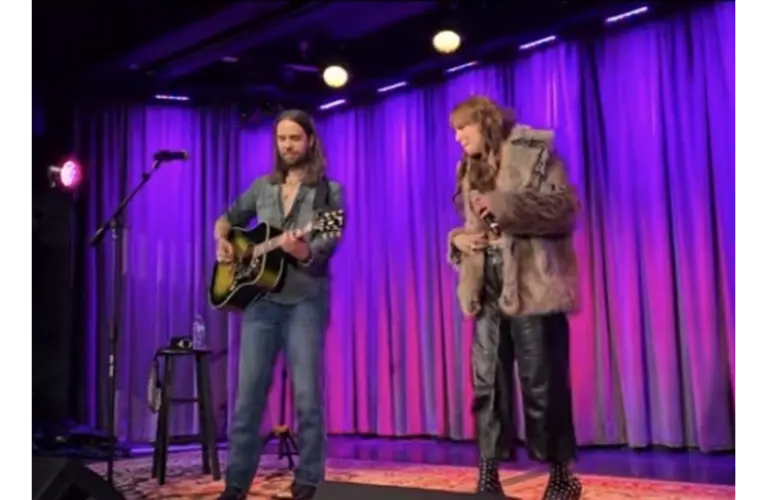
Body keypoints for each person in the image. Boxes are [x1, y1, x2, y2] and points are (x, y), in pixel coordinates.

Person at [446, 95, 582, 500]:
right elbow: (469, 224)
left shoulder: (535, 152)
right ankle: (488, 475)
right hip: (487, 288)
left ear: (483, 122)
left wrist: (505, 206)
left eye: (462, 128)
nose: (457, 138)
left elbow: (565, 208)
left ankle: (561, 477)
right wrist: (460, 239)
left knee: (544, 385)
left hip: (532, 288)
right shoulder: (468, 167)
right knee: (487, 385)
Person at [214, 109, 343, 500]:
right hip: (261, 303)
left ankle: (308, 481)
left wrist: (300, 249)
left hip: (305, 301)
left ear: (309, 141)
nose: (287, 146)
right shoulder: (263, 187)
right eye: (282, 139)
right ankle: (235, 485)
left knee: (307, 394)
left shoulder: (328, 193)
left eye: (295, 138)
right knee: (248, 395)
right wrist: (223, 242)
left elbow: (325, 245)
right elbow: (227, 218)